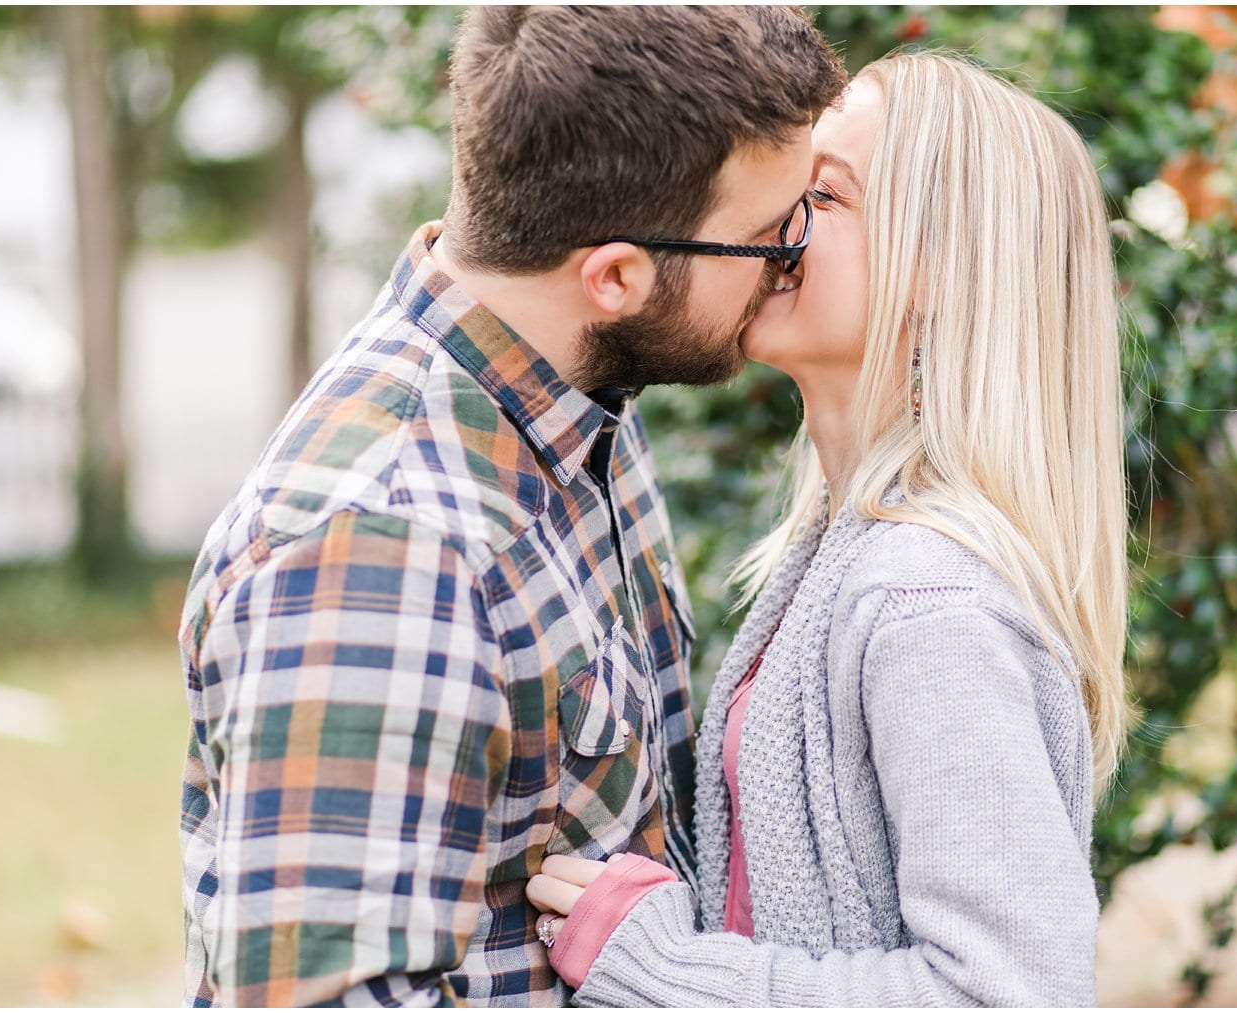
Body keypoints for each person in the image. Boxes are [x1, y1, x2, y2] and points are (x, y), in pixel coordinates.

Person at [176, 8, 846, 1006]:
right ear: (615, 276)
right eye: (766, 236)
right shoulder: (389, 540)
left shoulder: (573, 407)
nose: (792, 258)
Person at [525, 52, 1133, 1007]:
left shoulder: (929, 605)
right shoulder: (841, 549)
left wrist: (662, 967)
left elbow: (1009, 992)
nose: (776, 227)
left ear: (938, 269)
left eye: (825, 194)